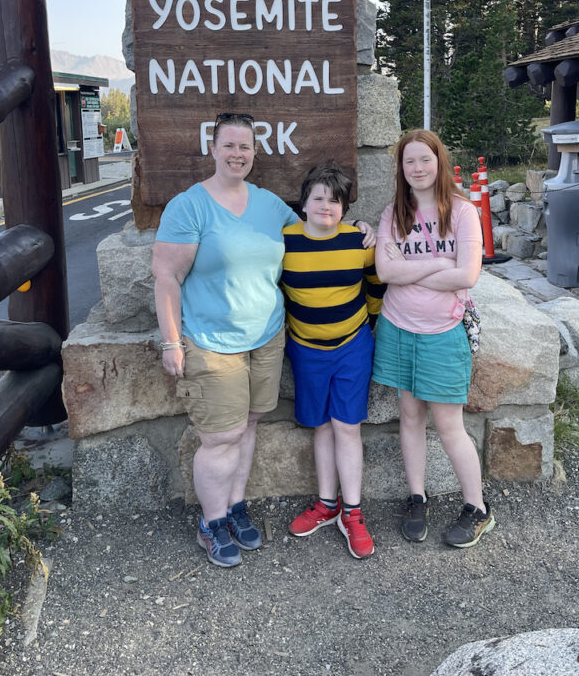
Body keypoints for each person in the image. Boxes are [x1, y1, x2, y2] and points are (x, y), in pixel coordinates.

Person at [153, 114, 373, 568]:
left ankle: (235, 507)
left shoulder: (271, 206)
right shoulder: (189, 206)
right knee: (221, 437)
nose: (237, 154)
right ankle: (211, 522)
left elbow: (318, 227)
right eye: (229, 145)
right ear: (212, 148)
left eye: (245, 147)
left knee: (249, 424)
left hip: (268, 339)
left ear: (255, 152)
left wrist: (363, 229)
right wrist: (171, 342)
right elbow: (166, 276)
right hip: (212, 343)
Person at [372, 129, 495, 549]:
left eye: (425, 159)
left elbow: (467, 275)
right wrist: (439, 261)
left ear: (439, 162)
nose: (418, 168)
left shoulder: (460, 212)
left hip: (443, 332)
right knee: (409, 415)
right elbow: (386, 273)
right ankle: (417, 497)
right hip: (398, 326)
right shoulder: (393, 214)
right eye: (409, 162)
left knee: (448, 425)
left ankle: (477, 507)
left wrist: (413, 264)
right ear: (401, 169)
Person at [281, 162, 384, 559]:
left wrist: (370, 325)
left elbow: (376, 284)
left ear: (344, 207)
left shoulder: (358, 242)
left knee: (347, 427)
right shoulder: (285, 242)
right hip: (306, 349)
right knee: (321, 426)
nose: (326, 206)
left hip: (352, 346)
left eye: (335, 200)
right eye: (318, 198)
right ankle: (327, 504)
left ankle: (353, 513)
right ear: (304, 204)